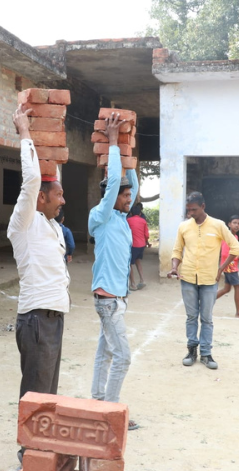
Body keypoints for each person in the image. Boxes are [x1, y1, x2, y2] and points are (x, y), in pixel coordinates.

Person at [8, 105, 70, 462]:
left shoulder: (53, 227)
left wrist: (50, 148)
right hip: (35, 319)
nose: (63, 200)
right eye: (58, 194)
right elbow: (33, 180)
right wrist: (25, 133)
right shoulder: (24, 222)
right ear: (41, 198)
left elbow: (45, 175)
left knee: (49, 390)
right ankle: (29, 451)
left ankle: (41, 445)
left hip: (54, 318)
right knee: (35, 389)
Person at [88, 112, 139, 431]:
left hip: (118, 299)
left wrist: (127, 142)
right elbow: (113, 189)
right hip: (108, 301)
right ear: (111, 196)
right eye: (124, 195)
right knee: (122, 356)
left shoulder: (121, 218)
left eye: (129, 195)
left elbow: (131, 181)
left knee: (105, 353)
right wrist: (112, 141)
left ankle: (97, 401)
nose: (129, 198)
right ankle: (110, 412)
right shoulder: (102, 215)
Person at [168, 192, 239, 370]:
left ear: (203, 206)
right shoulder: (184, 227)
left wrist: (221, 268)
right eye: (188, 210)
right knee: (191, 317)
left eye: (194, 209)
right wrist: (174, 267)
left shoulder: (218, 225)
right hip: (187, 278)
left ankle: (206, 354)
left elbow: (236, 248)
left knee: (207, 319)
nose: (190, 213)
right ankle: (191, 351)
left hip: (209, 279)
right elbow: (177, 250)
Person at [216, 215, 239, 318]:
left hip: (230, 266)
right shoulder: (228, 237)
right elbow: (225, 254)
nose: (237, 225)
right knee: (237, 287)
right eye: (234, 223)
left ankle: (205, 302)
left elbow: (231, 252)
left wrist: (238, 257)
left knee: (226, 289)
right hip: (229, 267)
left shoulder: (234, 237)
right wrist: (237, 257)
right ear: (229, 224)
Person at [127, 203, 150, 290]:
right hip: (141, 245)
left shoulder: (128, 220)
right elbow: (146, 235)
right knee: (137, 261)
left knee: (129, 264)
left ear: (131, 213)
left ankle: (133, 284)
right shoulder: (143, 221)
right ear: (140, 213)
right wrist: (146, 242)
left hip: (133, 245)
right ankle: (142, 280)